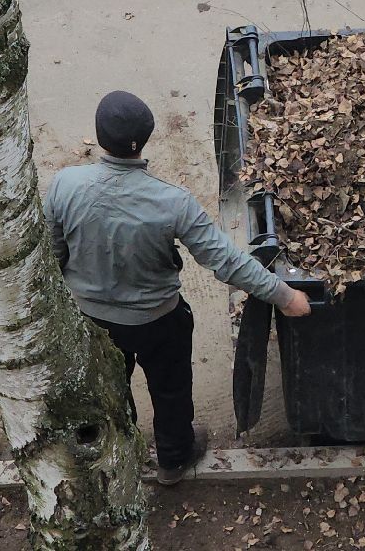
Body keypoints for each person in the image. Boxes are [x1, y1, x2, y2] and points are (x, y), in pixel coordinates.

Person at [41, 91, 310, 485]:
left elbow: (52, 254)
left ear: (100, 137)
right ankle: (173, 458)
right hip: (159, 322)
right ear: (146, 139)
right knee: (171, 390)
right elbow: (225, 260)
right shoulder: (173, 202)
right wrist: (284, 295)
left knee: (110, 390)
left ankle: (121, 455)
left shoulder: (65, 184)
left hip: (92, 321)